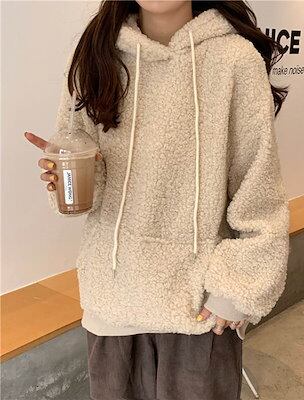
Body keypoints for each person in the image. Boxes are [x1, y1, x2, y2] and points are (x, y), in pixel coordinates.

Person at [25, 1, 290, 399]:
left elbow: (259, 188)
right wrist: (66, 177)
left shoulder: (235, 60)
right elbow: (86, 175)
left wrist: (236, 289)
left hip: (199, 305)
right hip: (114, 299)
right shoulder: (95, 57)